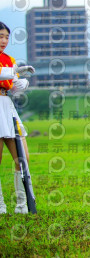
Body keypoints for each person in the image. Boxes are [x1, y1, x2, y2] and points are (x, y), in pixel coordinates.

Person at [0, 22, 35, 214]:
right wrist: (14, 71)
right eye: (0, 36)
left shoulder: (8, 59)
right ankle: (0, 205)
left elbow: (12, 86)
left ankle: (22, 204)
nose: (4, 41)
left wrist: (21, 83)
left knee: (22, 157)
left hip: (6, 105)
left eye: (6, 37)